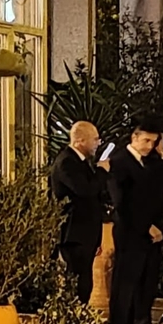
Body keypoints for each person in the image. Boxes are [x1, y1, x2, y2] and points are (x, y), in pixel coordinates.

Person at [105, 120, 163, 324]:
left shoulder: (152, 163)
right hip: (131, 232)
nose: (149, 145)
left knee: (146, 285)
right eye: (146, 140)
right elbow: (122, 203)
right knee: (125, 285)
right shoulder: (120, 162)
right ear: (134, 137)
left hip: (152, 235)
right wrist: (146, 226)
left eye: (153, 141)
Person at [49, 120, 111, 308]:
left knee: (84, 283)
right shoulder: (67, 162)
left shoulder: (80, 162)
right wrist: (101, 171)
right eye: (95, 139)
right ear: (80, 141)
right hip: (74, 235)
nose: (98, 144)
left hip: (84, 234)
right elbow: (86, 190)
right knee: (77, 285)